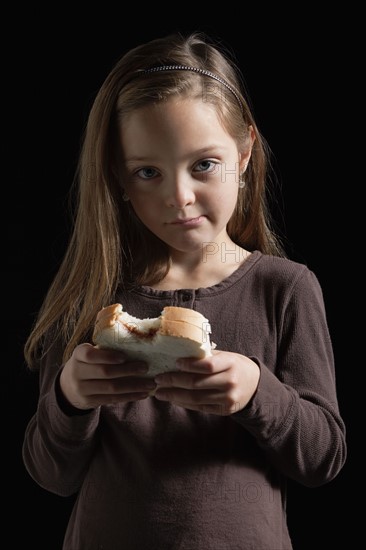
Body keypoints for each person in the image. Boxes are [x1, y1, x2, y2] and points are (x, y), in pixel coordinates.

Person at [22, 31, 347, 550]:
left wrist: (257, 393)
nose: (179, 197)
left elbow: (323, 459)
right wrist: (69, 399)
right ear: (119, 181)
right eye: (147, 172)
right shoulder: (91, 294)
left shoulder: (285, 289)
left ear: (244, 155)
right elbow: (50, 475)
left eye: (203, 165)